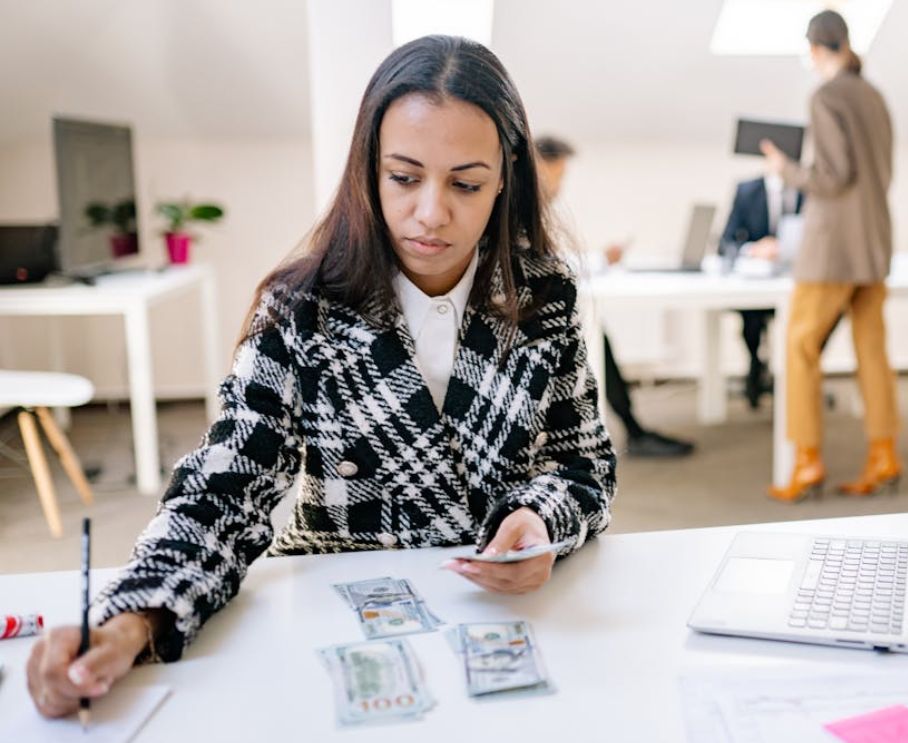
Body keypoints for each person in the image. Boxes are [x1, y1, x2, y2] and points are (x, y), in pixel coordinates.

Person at [26, 36, 616, 719]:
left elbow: (584, 466)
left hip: (509, 621)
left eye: (465, 183)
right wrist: (130, 621)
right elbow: (226, 489)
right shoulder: (299, 306)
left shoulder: (542, 294)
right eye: (403, 176)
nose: (430, 212)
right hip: (336, 627)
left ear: (506, 180)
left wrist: (539, 518)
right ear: (366, 171)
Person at [761, 10, 900, 502]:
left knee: (798, 349)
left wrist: (786, 170)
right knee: (872, 353)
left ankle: (807, 462)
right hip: (875, 242)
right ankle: (884, 457)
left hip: (833, 248)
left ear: (817, 49)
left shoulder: (826, 96)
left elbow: (833, 176)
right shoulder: (875, 96)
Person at [533, 135, 695, 459]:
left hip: (546, 303)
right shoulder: (524, 211)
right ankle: (632, 431)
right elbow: (544, 267)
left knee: (598, 337)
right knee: (594, 337)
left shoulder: (536, 211)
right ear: (540, 168)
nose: (560, 185)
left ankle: (633, 429)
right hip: (533, 313)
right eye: (559, 175)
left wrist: (598, 260)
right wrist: (599, 261)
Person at [719, 174, 805, 408]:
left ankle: (801, 376)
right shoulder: (747, 191)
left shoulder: (807, 188)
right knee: (752, 319)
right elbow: (725, 241)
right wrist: (753, 249)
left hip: (798, 281)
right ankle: (756, 365)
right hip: (756, 284)